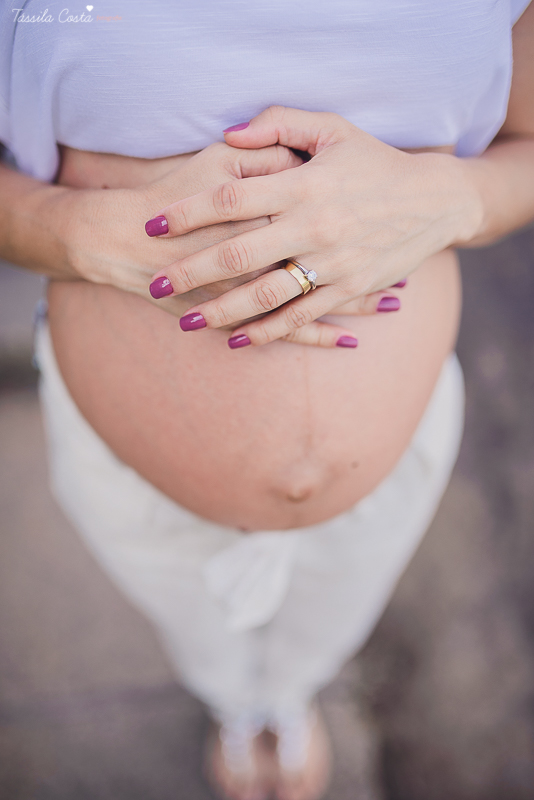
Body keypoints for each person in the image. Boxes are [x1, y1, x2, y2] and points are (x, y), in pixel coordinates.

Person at [1, 2, 533, 799]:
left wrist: (455, 196)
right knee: (190, 621)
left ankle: (285, 697)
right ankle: (235, 704)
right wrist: (86, 234)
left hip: (391, 460)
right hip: (132, 467)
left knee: (335, 611)